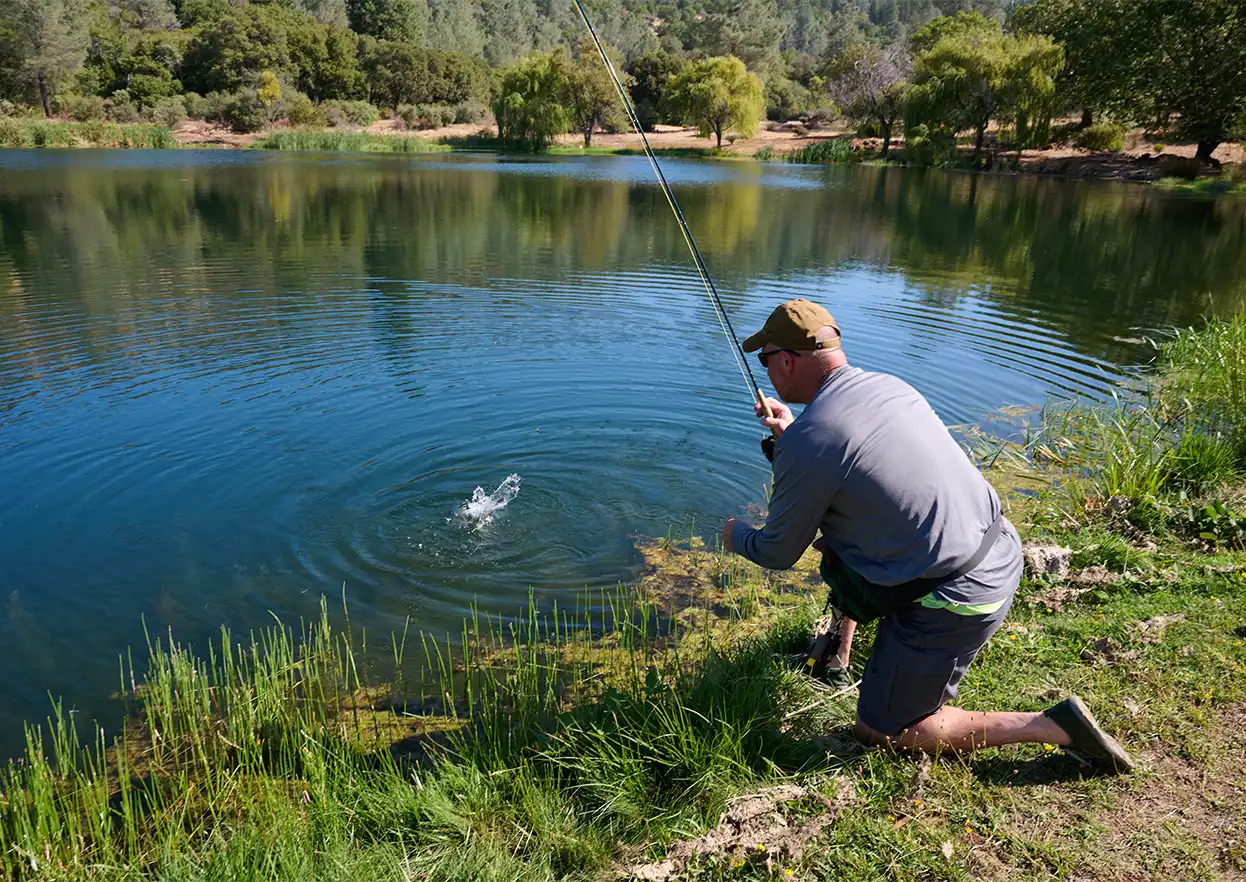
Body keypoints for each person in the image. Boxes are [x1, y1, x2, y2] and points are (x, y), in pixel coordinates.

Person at [720, 298, 1134, 772]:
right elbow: (853, 462)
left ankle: (1051, 725)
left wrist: (737, 535)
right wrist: (794, 433)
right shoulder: (889, 387)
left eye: (766, 359)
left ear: (788, 360)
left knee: (882, 729)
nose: (767, 369)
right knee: (841, 536)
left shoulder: (811, 441)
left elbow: (777, 551)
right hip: (998, 548)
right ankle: (839, 652)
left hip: (959, 595)